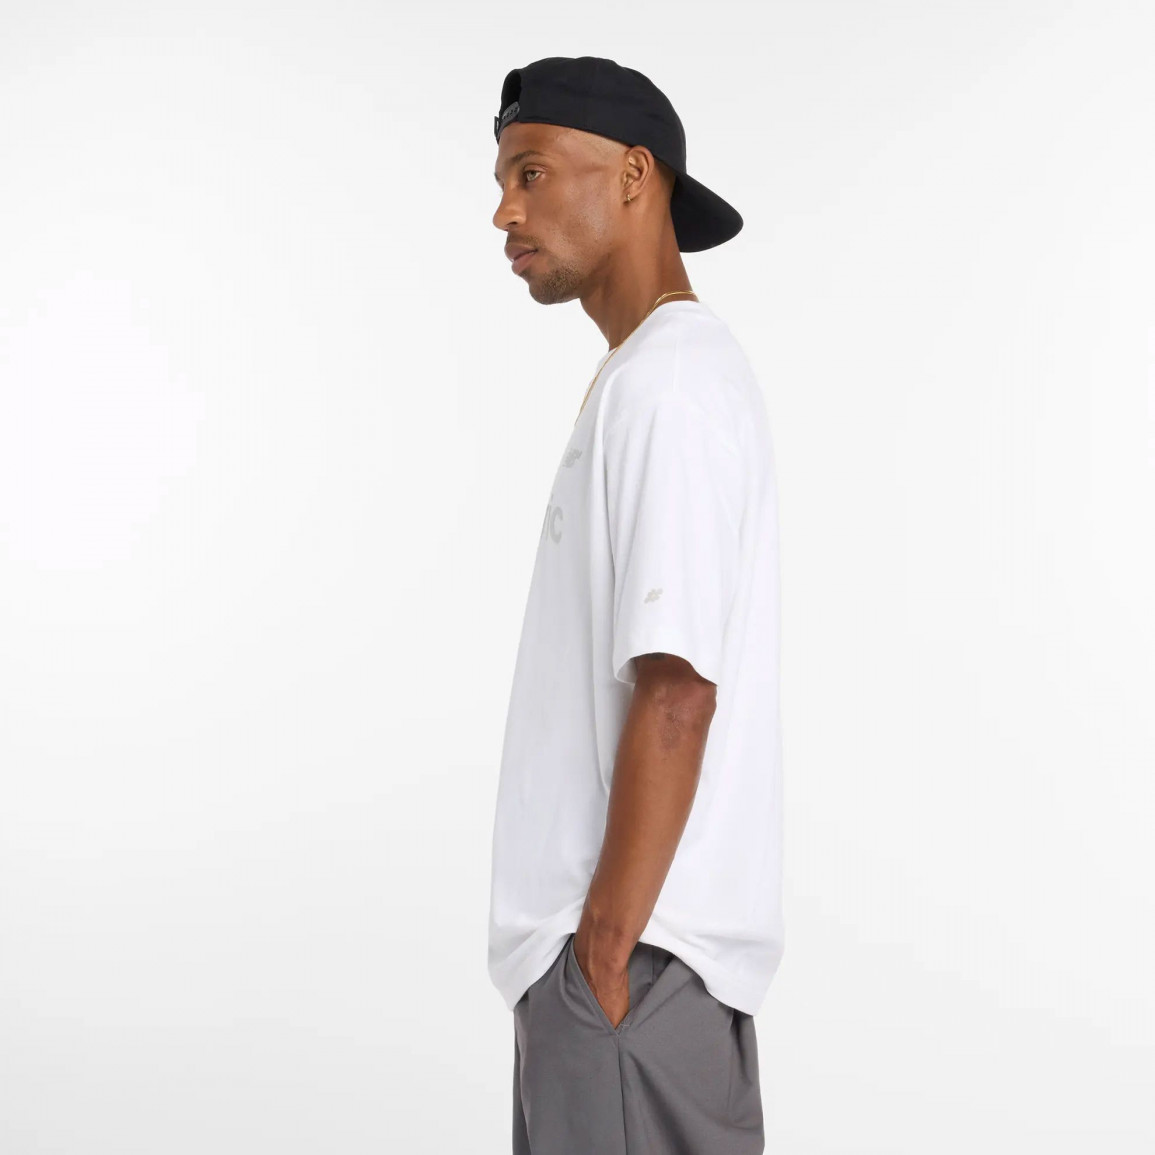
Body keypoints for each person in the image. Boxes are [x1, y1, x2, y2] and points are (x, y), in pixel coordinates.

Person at [487, 56, 783, 1155]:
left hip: (630, 973)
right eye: (502, 181)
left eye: (531, 172)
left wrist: (602, 956)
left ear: (632, 175)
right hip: (622, 977)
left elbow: (676, 688)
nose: (504, 210)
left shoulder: (671, 384)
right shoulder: (648, 375)